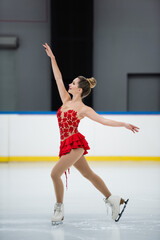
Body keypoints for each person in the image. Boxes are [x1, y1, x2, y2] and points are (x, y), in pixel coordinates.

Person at [43, 43, 139, 224]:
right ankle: (114, 200)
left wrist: (124, 124)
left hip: (75, 145)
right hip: (66, 144)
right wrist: (53, 58)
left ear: (79, 90)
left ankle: (59, 209)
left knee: (55, 174)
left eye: (72, 83)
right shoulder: (65, 99)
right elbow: (58, 77)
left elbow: (104, 120)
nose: (69, 84)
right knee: (89, 175)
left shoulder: (84, 109)